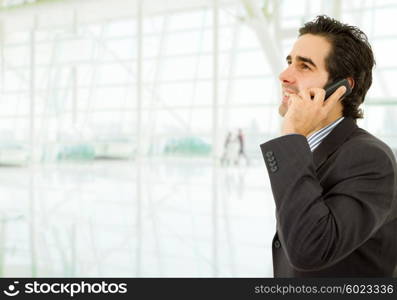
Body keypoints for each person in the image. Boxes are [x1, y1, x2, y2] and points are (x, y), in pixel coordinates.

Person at [260, 15, 397, 277]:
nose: (284, 75)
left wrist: (290, 136)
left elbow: (310, 249)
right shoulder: (310, 150)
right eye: (289, 62)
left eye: (304, 66)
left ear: (342, 87)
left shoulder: (369, 157)